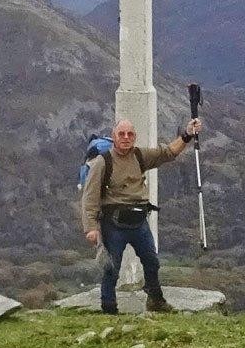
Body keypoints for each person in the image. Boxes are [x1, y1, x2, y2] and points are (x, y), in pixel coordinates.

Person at [81, 116, 202, 314]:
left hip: (139, 222)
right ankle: (109, 308)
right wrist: (91, 228)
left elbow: (168, 153)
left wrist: (187, 135)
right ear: (114, 136)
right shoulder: (103, 162)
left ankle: (155, 300)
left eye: (130, 134)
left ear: (135, 137)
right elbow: (90, 196)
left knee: (152, 262)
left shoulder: (139, 156)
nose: (126, 138)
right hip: (114, 224)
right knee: (111, 268)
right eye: (121, 134)